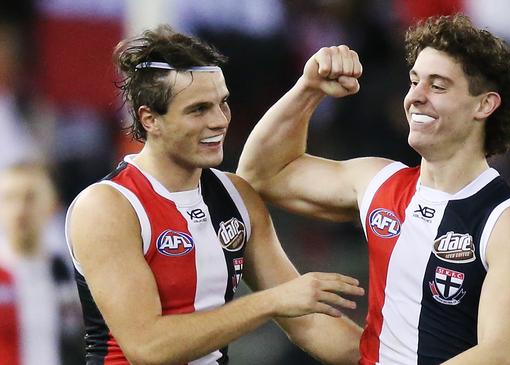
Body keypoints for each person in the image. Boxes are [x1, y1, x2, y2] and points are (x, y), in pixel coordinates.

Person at [238, 13, 510, 364]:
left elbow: (499, 353)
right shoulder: (379, 181)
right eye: (414, 81)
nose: (415, 96)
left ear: (484, 104)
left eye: (437, 85)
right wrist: (308, 90)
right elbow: (260, 174)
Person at [65, 26, 365, 365]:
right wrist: (270, 301)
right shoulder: (109, 206)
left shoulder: (236, 197)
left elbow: (309, 324)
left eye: (222, 103)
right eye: (199, 110)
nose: (219, 121)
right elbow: (148, 347)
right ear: (150, 119)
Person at [0, 163, 82, 365]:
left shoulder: (70, 274)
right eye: (10, 198)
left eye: (30, 198)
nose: (20, 209)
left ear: (52, 204)